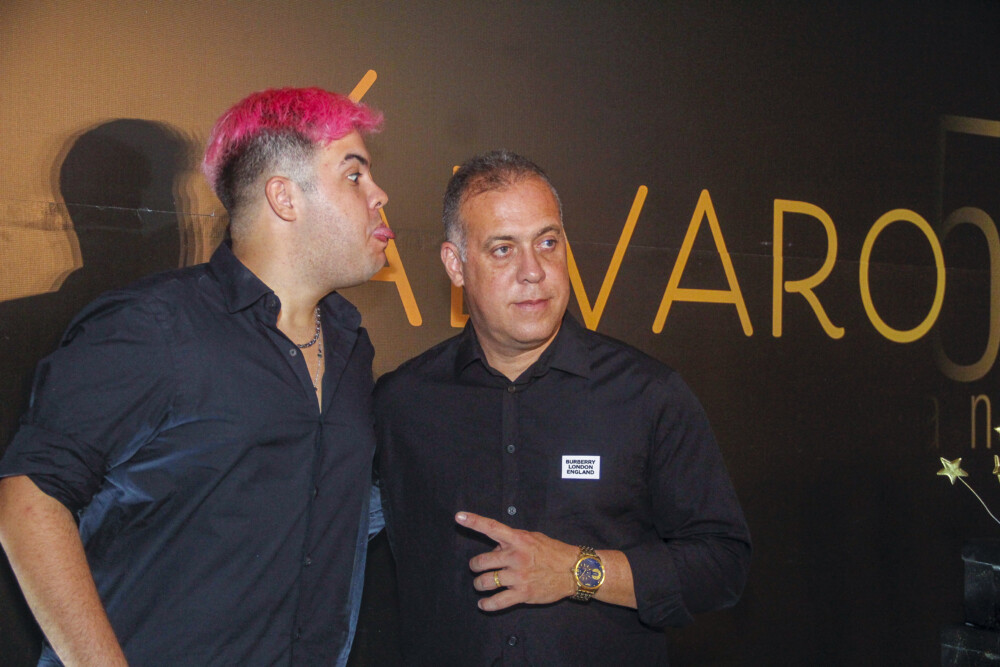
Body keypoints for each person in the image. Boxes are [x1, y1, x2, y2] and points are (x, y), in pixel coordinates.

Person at [0, 87, 392, 666]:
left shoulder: (350, 345)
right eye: (354, 175)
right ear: (284, 197)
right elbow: (30, 500)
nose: (380, 195)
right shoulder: (153, 326)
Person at [375, 149, 750, 665]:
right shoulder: (403, 403)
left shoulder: (647, 394)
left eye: (547, 243)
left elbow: (722, 566)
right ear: (455, 265)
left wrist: (579, 572)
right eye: (503, 249)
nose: (533, 271)